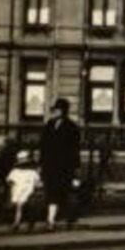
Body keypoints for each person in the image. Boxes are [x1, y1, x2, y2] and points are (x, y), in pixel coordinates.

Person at [39, 97, 82, 230]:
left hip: (63, 166)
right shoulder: (49, 124)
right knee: (50, 191)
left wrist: (75, 167)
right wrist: (40, 164)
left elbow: (74, 149)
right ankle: (62, 218)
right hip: (49, 164)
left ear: (64, 111)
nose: (56, 112)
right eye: (55, 110)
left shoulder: (72, 127)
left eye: (58, 110)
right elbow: (43, 145)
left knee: (57, 192)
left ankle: (51, 220)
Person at [6, 150, 43, 232]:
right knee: (22, 207)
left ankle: (17, 223)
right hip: (24, 192)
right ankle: (21, 223)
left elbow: (9, 182)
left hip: (22, 192)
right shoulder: (31, 172)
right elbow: (38, 183)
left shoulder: (16, 172)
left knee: (20, 207)